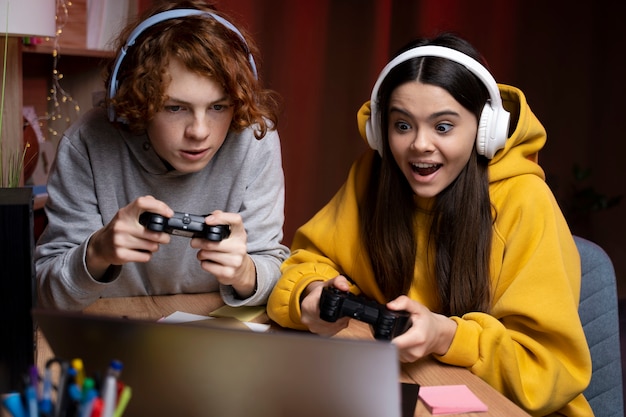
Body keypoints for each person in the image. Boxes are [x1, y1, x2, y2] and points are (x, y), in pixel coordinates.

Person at [267, 33, 592, 416]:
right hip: (410, 389)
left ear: (486, 131)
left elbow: (549, 370)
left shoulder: (526, 202)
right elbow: (309, 260)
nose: (420, 144)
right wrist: (311, 293)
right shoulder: (373, 175)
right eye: (402, 126)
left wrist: (448, 336)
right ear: (380, 132)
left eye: (443, 127)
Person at [36, 0, 289, 311]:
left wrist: (245, 272)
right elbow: (47, 294)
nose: (199, 131)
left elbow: (275, 272)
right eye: (175, 108)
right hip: (113, 329)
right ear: (135, 101)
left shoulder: (255, 139)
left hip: (212, 332)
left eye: (218, 107)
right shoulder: (87, 142)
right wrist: (97, 252)